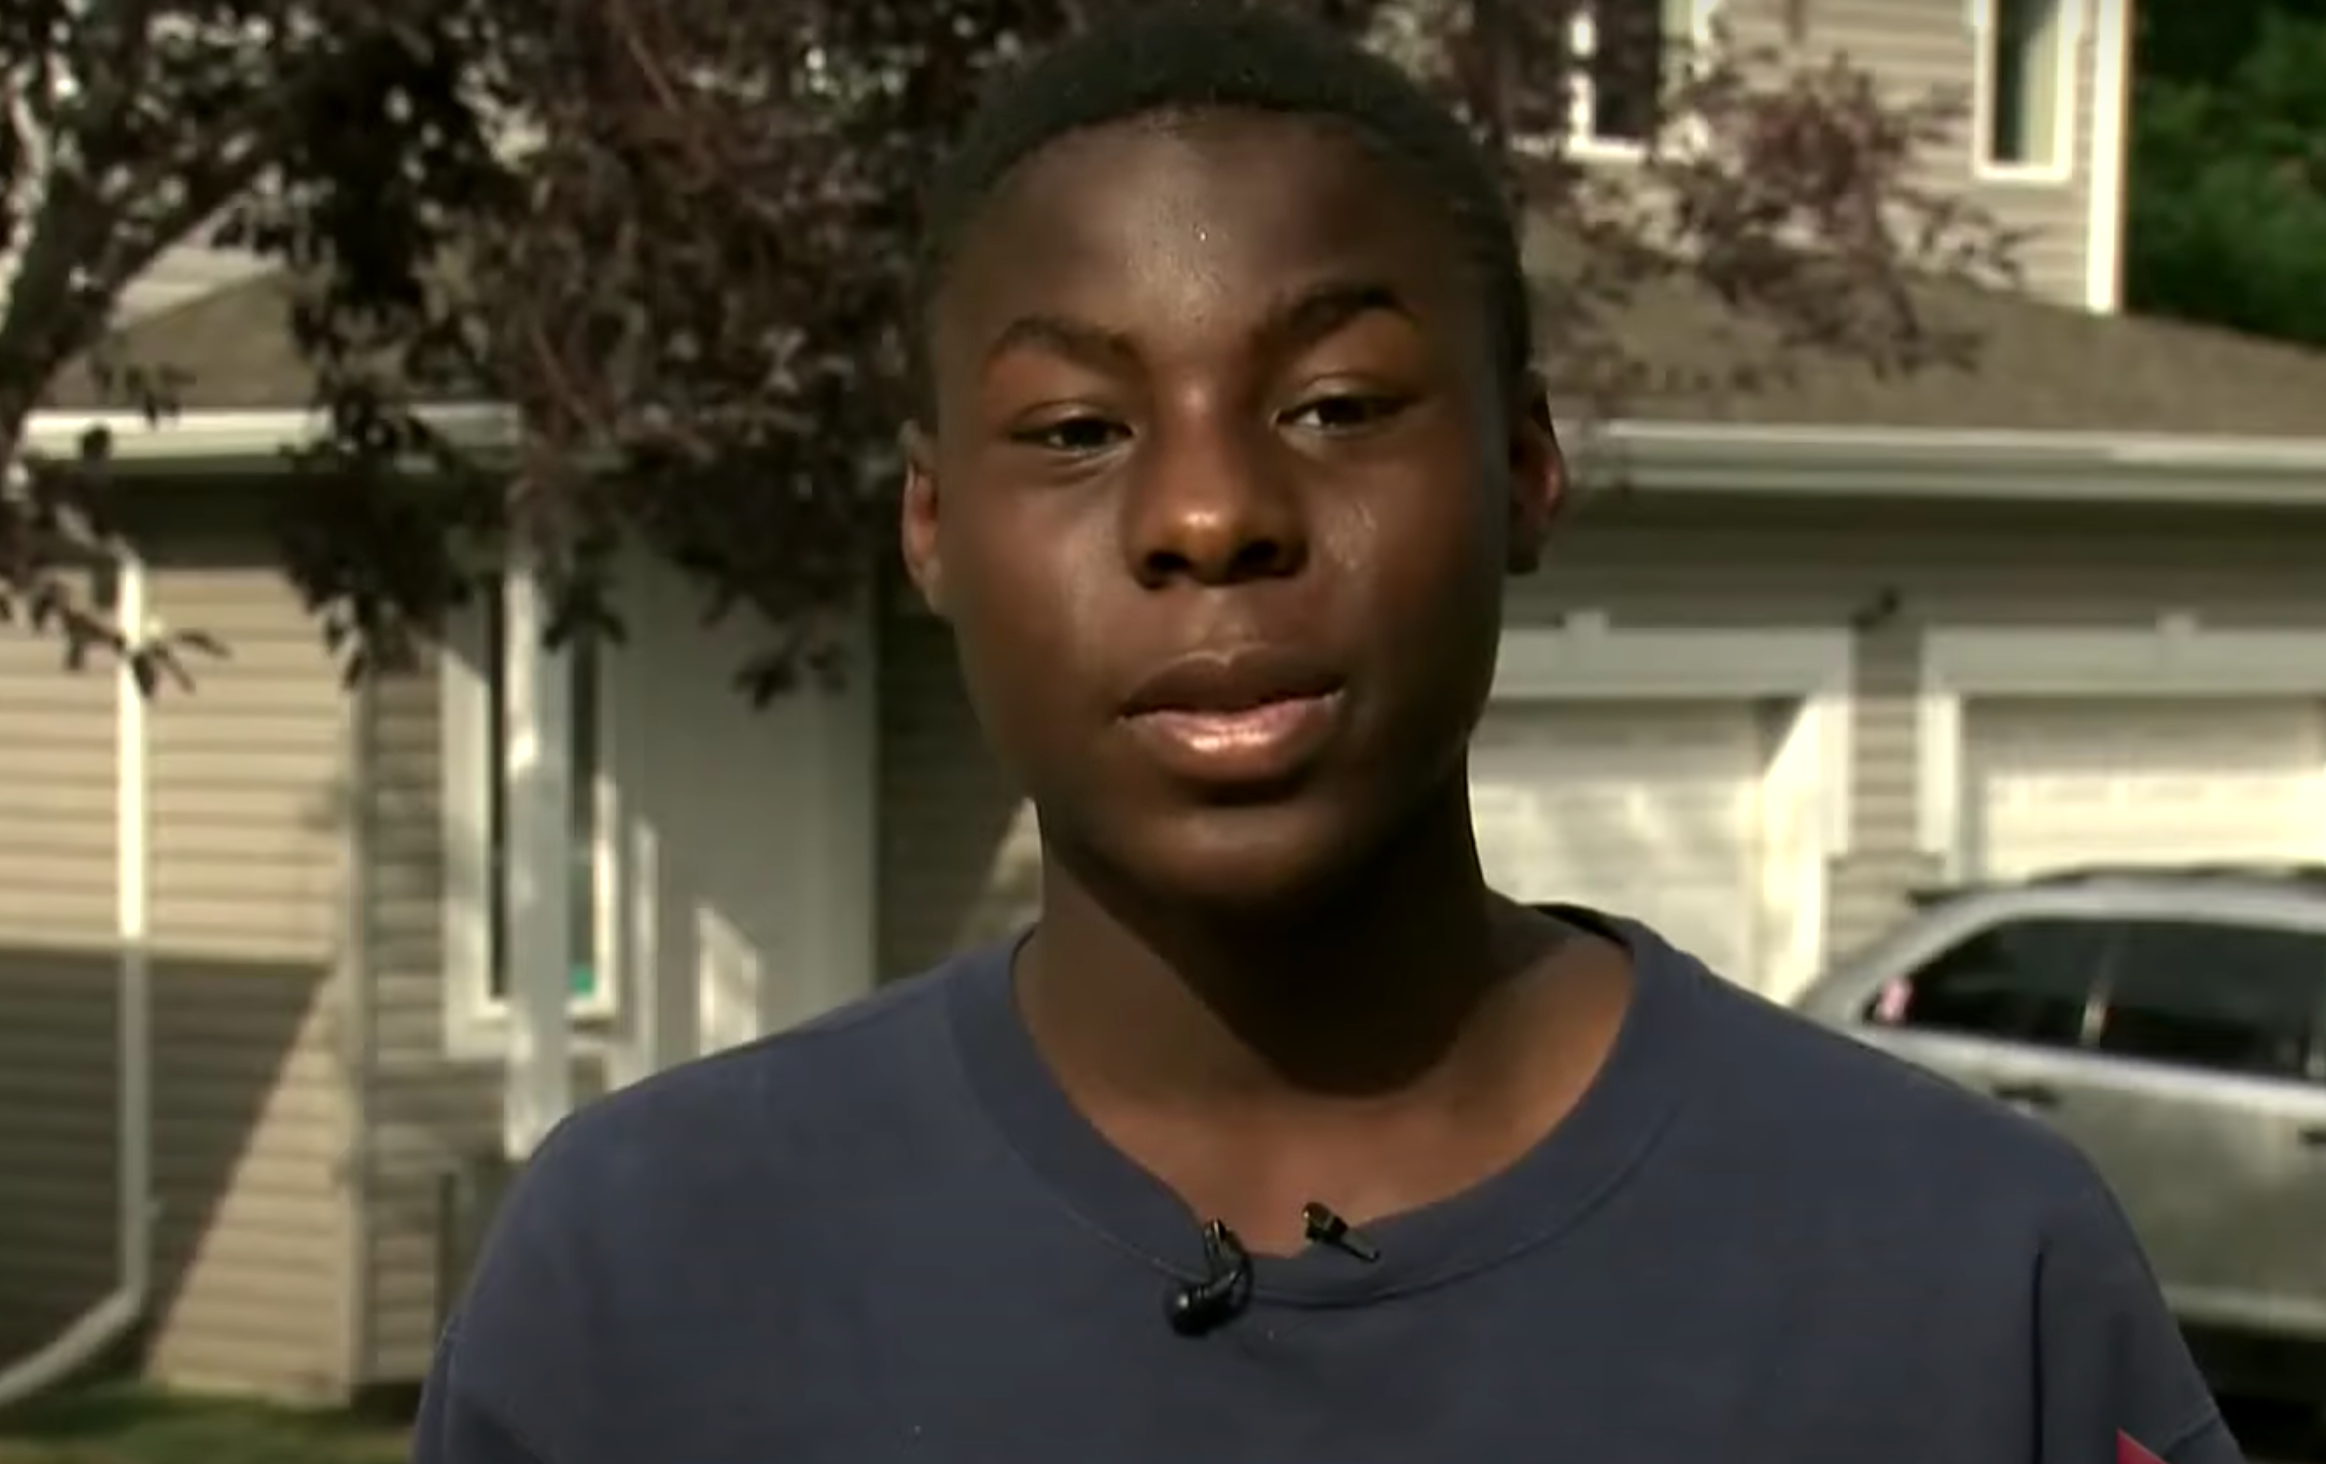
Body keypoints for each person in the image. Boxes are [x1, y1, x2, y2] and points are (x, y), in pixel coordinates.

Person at [413, 5, 2243, 1460]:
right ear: (932, 529)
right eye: (1075, 430)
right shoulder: (647, 1274)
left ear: (1524, 468)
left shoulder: (1961, 1273)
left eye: (1336, 402)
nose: (1209, 515)